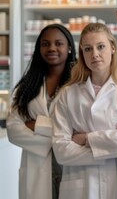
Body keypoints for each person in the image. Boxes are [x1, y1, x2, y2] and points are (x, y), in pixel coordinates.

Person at [52, 23, 117, 199]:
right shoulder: (67, 95)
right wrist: (113, 144)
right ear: (82, 54)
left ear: (112, 48)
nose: (95, 54)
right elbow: (61, 151)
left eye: (101, 47)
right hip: (82, 188)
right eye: (88, 49)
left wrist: (86, 139)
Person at [6, 24, 77, 199]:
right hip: (35, 168)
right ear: (39, 49)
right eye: (45, 44)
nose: (52, 48)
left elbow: (78, 129)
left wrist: (36, 125)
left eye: (58, 43)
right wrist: (59, 137)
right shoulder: (28, 86)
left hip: (69, 167)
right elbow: (13, 129)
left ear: (69, 48)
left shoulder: (79, 85)